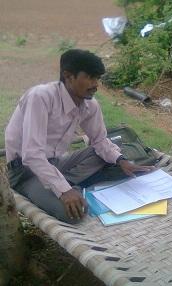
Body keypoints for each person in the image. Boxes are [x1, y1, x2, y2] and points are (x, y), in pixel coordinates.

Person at [5, 49, 153, 224]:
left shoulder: (90, 105)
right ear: (68, 76)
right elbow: (32, 155)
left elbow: (99, 141)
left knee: (107, 156)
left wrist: (122, 160)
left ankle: (63, 184)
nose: (95, 84)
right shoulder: (41, 97)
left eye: (97, 78)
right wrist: (65, 191)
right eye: (90, 77)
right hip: (25, 172)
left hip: (56, 163)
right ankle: (65, 186)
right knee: (74, 213)